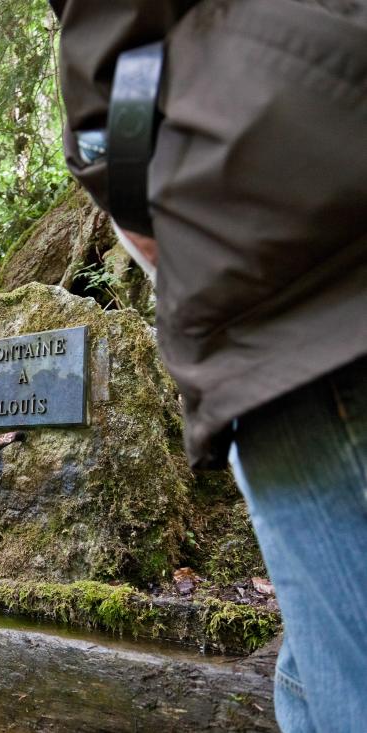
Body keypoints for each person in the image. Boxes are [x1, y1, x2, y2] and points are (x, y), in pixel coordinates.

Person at [51, 2, 367, 731]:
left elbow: (108, 82)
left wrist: (154, 202)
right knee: (323, 666)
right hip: (297, 249)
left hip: (285, 250)